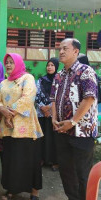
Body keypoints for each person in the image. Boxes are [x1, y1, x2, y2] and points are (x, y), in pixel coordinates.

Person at [50, 38, 98, 200]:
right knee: (66, 172)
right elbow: (54, 99)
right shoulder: (59, 75)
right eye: (60, 49)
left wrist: (73, 121)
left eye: (65, 48)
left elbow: (89, 98)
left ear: (76, 51)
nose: (61, 52)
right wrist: (54, 119)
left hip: (82, 132)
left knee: (83, 174)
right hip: (62, 132)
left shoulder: (85, 71)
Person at [0, 53, 43, 200]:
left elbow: (28, 98)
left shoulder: (27, 78)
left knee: (30, 160)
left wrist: (8, 113)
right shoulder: (3, 83)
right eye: (6, 62)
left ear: (18, 63)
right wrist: (0, 109)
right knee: (11, 160)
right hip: (8, 128)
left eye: (11, 62)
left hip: (26, 128)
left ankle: (34, 192)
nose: (8, 65)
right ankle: (12, 189)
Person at [35, 58, 59, 171]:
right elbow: (36, 94)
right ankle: (42, 158)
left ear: (56, 67)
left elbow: (59, 96)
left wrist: (49, 108)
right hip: (41, 113)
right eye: (48, 65)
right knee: (42, 136)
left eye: (52, 65)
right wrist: (42, 107)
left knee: (53, 138)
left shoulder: (60, 79)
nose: (49, 67)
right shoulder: (40, 80)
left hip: (53, 113)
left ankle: (54, 161)